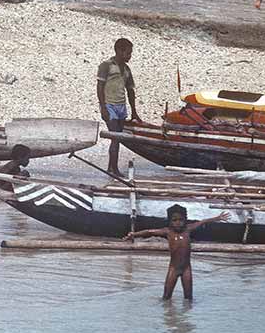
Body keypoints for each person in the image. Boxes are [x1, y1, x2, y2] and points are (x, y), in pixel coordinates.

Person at [121, 204, 229, 300]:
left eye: (180, 220)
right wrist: (134, 234)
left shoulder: (188, 229)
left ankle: (185, 319)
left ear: (185, 220)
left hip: (187, 269)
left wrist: (218, 218)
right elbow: (149, 231)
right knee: (166, 298)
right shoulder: (168, 232)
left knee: (188, 298)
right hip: (173, 269)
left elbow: (202, 222)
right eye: (174, 220)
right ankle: (168, 318)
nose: (178, 223)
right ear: (170, 221)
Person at [97, 38, 141, 176]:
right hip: (110, 106)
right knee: (115, 137)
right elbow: (100, 87)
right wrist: (103, 108)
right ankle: (113, 169)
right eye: (128, 53)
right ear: (119, 51)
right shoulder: (106, 66)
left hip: (121, 107)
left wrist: (134, 112)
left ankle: (112, 168)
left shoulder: (127, 69)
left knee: (117, 138)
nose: (129, 56)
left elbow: (131, 91)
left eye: (130, 53)